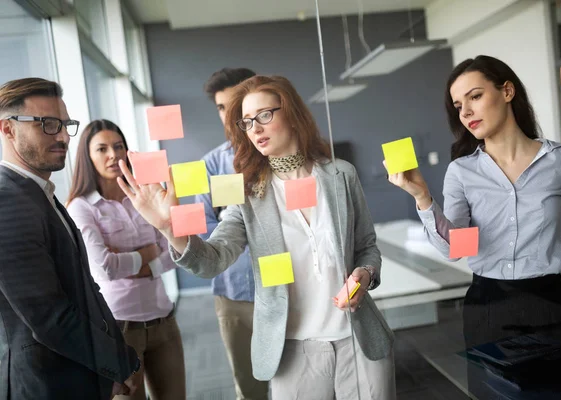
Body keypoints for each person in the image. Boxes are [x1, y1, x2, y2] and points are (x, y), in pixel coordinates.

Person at [117, 75, 396, 399]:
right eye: (248, 122)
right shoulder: (248, 193)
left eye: (265, 115)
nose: (256, 128)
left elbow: (367, 247)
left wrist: (365, 274)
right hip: (292, 349)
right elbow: (212, 260)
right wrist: (170, 228)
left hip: (358, 338)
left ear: (292, 113)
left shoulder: (340, 174)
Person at [385, 55, 561, 399]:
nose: (465, 112)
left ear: (508, 91)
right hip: (489, 312)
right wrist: (423, 197)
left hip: (552, 310)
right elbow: (458, 250)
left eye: (474, 96)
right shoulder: (462, 172)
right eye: (458, 105)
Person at [0, 78, 140, 399]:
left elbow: (83, 288)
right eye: (48, 124)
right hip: (47, 383)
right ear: (8, 129)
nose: (63, 136)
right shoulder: (6, 201)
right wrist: (118, 362)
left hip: (79, 373)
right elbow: (48, 315)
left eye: (65, 124)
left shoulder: (41, 194)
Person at [66, 119, 186, 400]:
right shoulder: (81, 207)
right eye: (102, 149)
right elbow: (105, 268)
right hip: (120, 328)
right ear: (87, 156)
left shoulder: (144, 195)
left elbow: (174, 253)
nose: (113, 155)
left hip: (163, 320)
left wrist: (143, 265)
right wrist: (148, 254)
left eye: (119, 146)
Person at [200, 68, 269, 400]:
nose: (228, 115)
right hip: (233, 294)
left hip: (286, 288)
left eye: (234, 104)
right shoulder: (211, 165)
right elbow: (207, 230)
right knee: (249, 384)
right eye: (220, 107)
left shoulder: (276, 154)